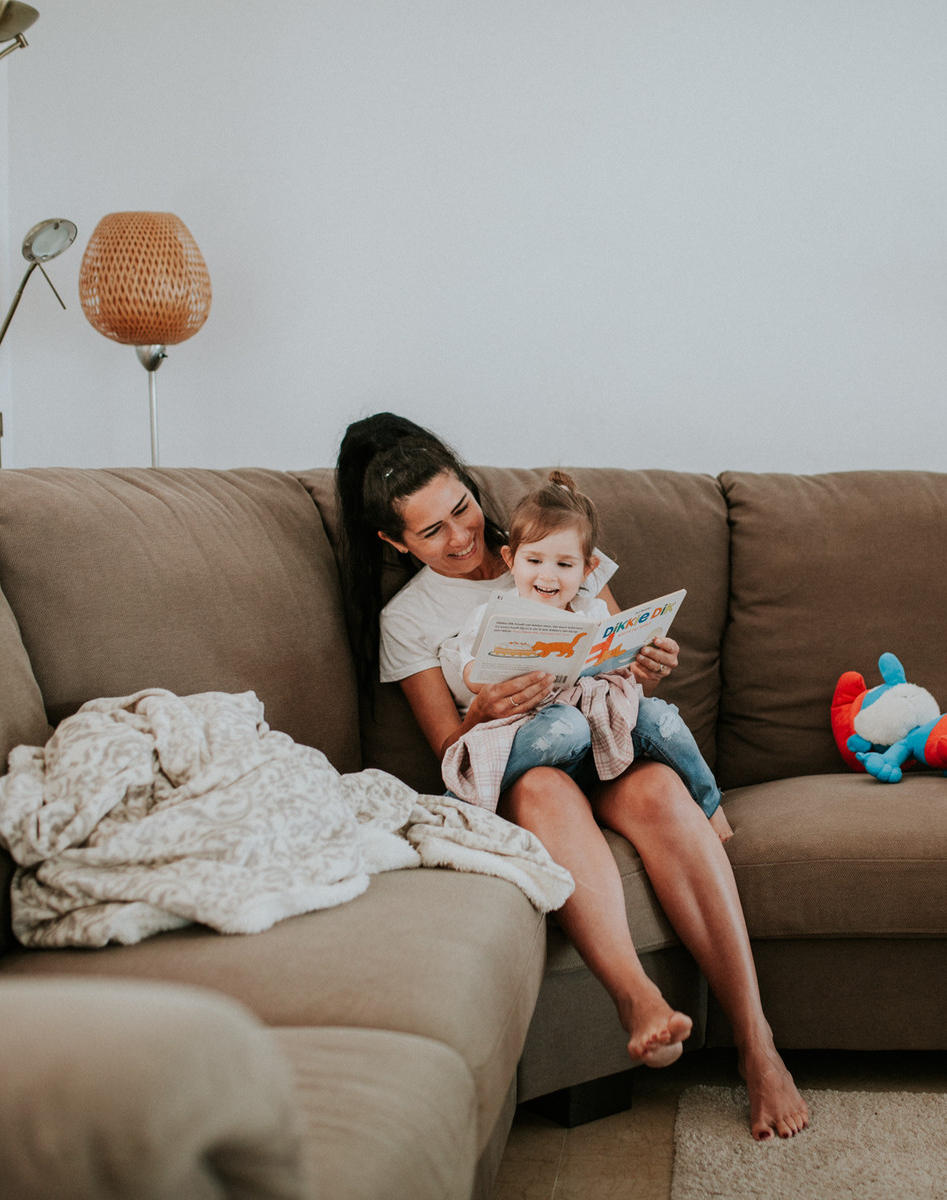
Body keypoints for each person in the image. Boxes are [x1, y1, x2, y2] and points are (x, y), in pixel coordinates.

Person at [336, 413, 809, 1141]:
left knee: (657, 788)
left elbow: (615, 655)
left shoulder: (552, 546)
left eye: (460, 508)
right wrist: (485, 704)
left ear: (471, 488)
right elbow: (446, 745)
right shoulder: (407, 618)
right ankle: (634, 999)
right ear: (395, 543)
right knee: (546, 788)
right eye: (431, 533)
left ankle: (758, 1045)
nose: (460, 538)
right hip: (527, 762)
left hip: (602, 737)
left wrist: (644, 661)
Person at [445, 470, 727, 830]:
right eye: (534, 561)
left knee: (658, 715)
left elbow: (624, 679)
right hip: (537, 733)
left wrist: (644, 658)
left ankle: (711, 807)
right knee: (568, 724)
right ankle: (462, 803)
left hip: (598, 732)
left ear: (587, 569)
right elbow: (472, 678)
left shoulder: (594, 613)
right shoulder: (492, 614)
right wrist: (496, 668)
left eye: (564, 564)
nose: (548, 576)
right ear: (510, 559)